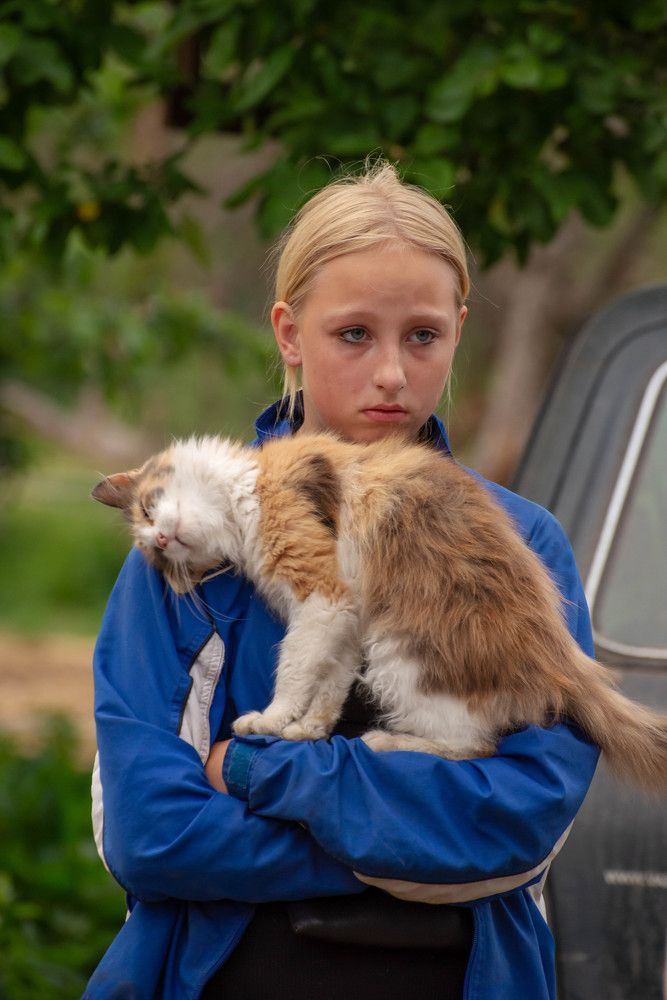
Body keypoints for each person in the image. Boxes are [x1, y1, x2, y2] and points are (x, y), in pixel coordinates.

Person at [84, 161, 599, 1000]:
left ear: (459, 331)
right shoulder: (188, 551)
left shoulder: (523, 543)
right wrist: (399, 839)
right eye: (353, 334)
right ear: (289, 333)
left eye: (423, 335)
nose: (391, 372)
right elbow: (148, 837)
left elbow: (518, 824)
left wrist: (264, 777)